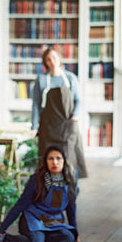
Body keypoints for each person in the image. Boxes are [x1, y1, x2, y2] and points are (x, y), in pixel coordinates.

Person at [0, 145, 79, 242]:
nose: (55, 162)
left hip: (53, 221)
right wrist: (1, 229)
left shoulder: (72, 177)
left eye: (58, 158)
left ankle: (39, 239)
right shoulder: (36, 179)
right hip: (33, 219)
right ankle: (3, 239)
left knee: (68, 239)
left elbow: (71, 204)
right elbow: (21, 204)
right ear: (46, 161)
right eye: (50, 158)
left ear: (64, 160)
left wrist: (74, 229)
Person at [31, 47, 88, 178]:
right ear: (45, 62)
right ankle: (46, 190)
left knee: (69, 160)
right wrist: (34, 127)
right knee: (47, 162)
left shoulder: (70, 78)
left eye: (54, 58)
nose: (52, 61)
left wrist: (74, 116)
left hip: (67, 125)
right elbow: (35, 104)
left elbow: (78, 100)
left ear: (59, 59)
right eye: (48, 59)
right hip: (48, 126)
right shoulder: (41, 80)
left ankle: (69, 190)